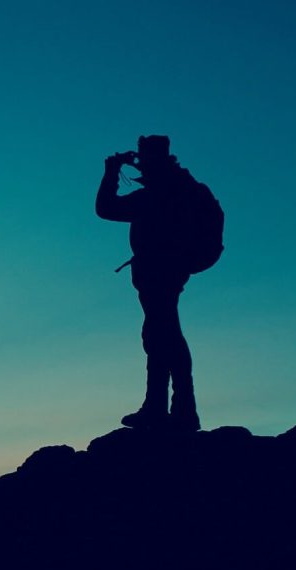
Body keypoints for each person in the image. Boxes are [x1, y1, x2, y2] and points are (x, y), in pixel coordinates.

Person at [96, 134, 201, 432]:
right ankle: (174, 409)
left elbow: (105, 208)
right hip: (169, 270)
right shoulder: (178, 188)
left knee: (161, 336)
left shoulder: (158, 194)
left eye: (143, 157)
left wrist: (111, 171)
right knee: (163, 334)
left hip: (159, 271)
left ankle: (166, 410)